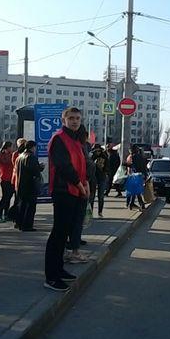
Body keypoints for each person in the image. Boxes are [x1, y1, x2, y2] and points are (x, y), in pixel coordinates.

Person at [45, 107, 89, 292]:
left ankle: (59, 269)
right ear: (63, 120)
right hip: (64, 191)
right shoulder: (59, 138)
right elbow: (63, 166)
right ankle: (51, 276)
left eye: (77, 118)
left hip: (76, 190)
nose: (75, 121)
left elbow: (81, 164)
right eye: (71, 118)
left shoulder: (75, 139)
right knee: (58, 233)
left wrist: (85, 182)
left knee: (65, 233)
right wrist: (79, 184)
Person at [64, 127, 90, 265]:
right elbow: (81, 168)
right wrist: (83, 185)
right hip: (74, 189)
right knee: (75, 221)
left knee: (70, 222)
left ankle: (71, 251)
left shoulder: (77, 146)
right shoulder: (79, 147)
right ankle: (74, 252)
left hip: (75, 187)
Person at [15, 141, 42, 232]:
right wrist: (40, 168)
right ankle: (27, 225)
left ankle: (19, 223)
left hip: (20, 184)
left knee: (21, 205)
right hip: (30, 185)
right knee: (30, 207)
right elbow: (34, 171)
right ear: (32, 147)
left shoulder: (20, 157)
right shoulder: (31, 157)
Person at [124, 145, 147, 211]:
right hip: (140, 175)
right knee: (136, 191)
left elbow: (133, 165)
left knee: (133, 191)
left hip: (135, 175)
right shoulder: (142, 157)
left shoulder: (133, 157)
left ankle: (136, 204)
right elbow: (144, 167)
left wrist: (125, 164)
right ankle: (133, 204)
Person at [0, 141, 15, 223]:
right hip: (4, 178)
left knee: (9, 197)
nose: (12, 148)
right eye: (10, 147)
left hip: (11, 178)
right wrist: (9, 154)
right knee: (5, 197)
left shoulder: (11, 154)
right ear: (7, 147)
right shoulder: (2, 155)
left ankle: (6, 214)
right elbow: (6, 162)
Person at [9, 138, 26, 224]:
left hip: (19, 179)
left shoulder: (22, 154)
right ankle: (16, 217)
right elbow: (15, 166)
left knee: (19, 199)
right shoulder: (16, 154)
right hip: (17, 179)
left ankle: (18, 218)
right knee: (17, 199)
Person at [91, 144, 109, 216]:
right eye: (96, 151)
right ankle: (91, 211)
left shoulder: (104, 156)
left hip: (102, 177)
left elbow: (107, 166)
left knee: (101, 196)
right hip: (93, 177)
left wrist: (105, 170)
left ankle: (100, 211)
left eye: (99, 150)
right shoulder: (92, 156)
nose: (98, 152)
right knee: (92, 196)